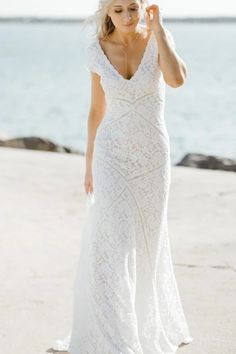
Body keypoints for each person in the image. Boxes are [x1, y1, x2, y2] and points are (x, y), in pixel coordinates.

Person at [51, 0, 193, 353]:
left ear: (144, 6)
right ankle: (116, 336)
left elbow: (176, 80)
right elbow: (96, 109)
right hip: (111, 154)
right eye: (119, 9)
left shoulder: (159, 38)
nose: (127, 16)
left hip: (151, 157)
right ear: (107, 12)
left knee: (148, 240)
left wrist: (159, 31)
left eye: (133, 7)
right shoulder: (96, 50)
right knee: (111, 242)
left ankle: (149, 326)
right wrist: (89, 163)